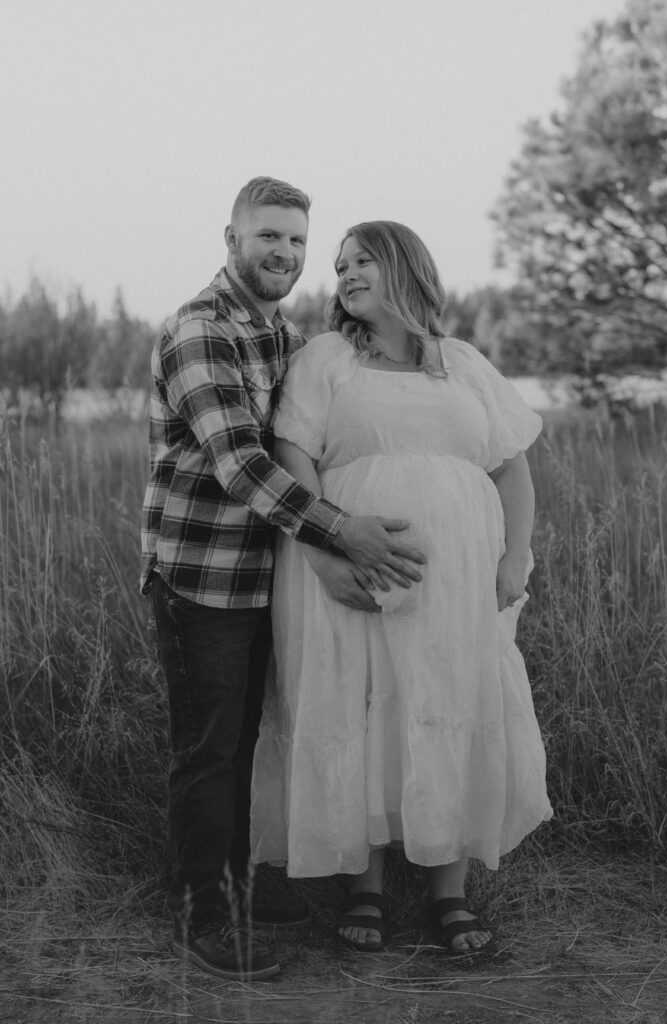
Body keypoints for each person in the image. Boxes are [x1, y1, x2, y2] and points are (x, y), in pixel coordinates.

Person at [141, 183, 426, 981]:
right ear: (230, 237)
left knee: (244, 740)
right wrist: (341, 528)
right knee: (208, 750)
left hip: (266, 572)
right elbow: (240, 464)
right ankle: (206, 916)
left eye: (298, 242)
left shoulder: (279, 332)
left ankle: (225, 878)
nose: (287, 255)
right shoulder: (200, 330)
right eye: (270, 236)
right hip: (201, 576)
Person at [250, 220, 553, 954]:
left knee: (449, 698)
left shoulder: (462, 364)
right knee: (361, 701)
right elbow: (293, 451)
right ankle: (367, 888)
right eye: (340, 264)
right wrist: (326, 547)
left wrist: (515, 556)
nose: (345, 272)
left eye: (363, 260)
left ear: (404, 268)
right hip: (349, 564)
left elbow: (510, 465)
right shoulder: (325, 359)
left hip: (457, 580)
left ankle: (449, 894)